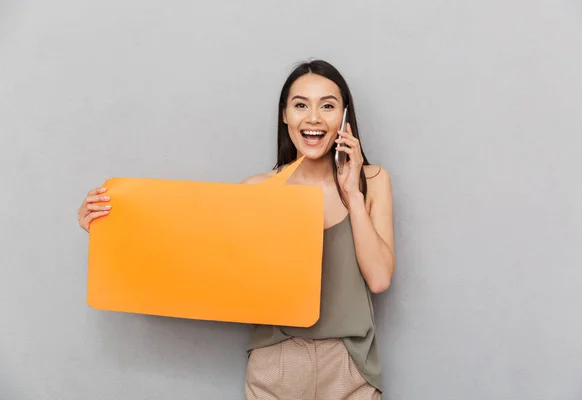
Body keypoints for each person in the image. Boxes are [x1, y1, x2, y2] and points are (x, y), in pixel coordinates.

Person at [77, 59, 395, 399]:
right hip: (277, 363)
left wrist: (352, 195)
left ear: (345, 117)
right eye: (300, 105)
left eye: (327, 106)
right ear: (284, 115)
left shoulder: (372, 182)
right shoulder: (258, 190)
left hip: (349, 363)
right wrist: (106, 227)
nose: (313, 118)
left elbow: (378, 279)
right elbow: (192, 257)